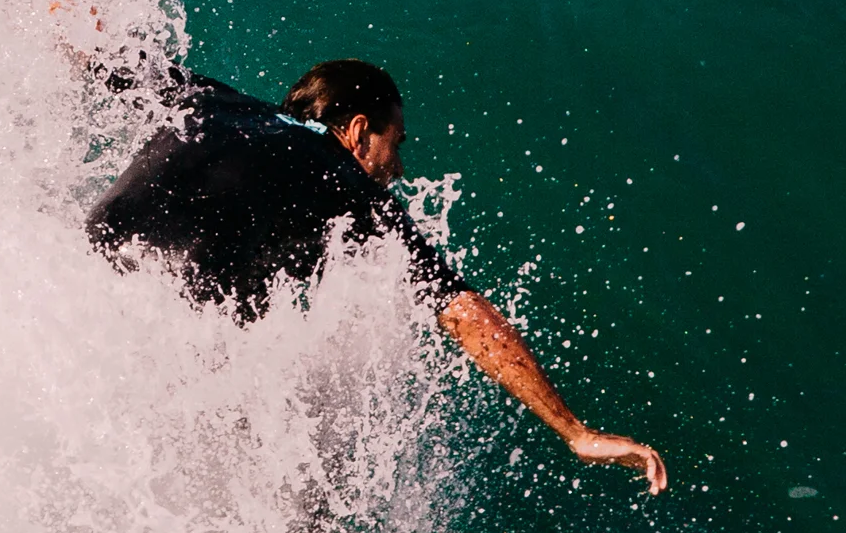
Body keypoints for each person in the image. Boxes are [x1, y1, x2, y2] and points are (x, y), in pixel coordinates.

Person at [87, 58, 668, 493]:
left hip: (80, 283)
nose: (401, 166)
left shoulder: (211, 97)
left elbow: (99, 56)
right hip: (156, 337)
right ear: (361, 131)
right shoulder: (346, 181)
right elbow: (461, 310)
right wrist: (574, 431)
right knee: (309, 458)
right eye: (397, 144)